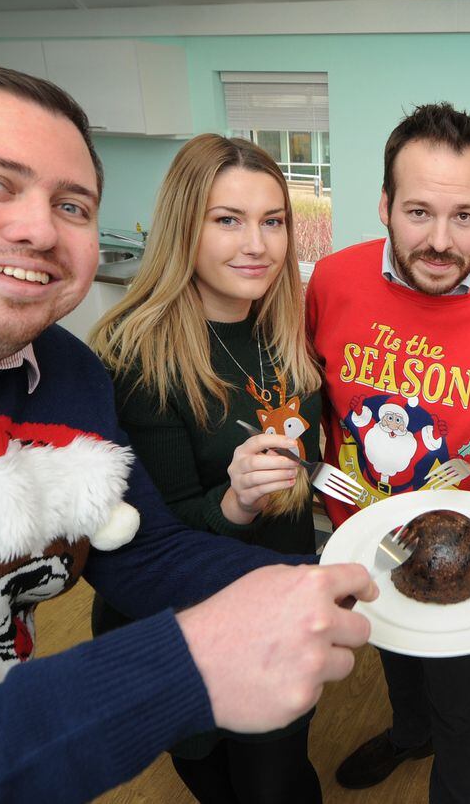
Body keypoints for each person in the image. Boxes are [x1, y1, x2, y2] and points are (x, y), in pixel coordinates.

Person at [0, 65, 375, 802]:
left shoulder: (64, 373)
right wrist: (182, 666)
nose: (36, 228)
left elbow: (141, 547)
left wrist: (316, 583)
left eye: (72, 204)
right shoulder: (132, 359)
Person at [305, 102, 470, 803]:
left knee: (461, 698)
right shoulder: (331, 282)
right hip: (362, 534)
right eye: (418, 212)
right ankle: (406, 732)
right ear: (385, 206)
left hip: (467, 559)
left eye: (463, 216)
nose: (440, 241)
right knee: (391, 648)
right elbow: (307, 392)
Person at [89, 135, 326, 803]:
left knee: (284, 773)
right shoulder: (138, 355)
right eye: (228, 219)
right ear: (183, 227)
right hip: (190, 631)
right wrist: (237, 500)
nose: (257, 244)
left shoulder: (283, 327)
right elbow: (150, 544)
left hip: (279, 604)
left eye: (272, 220)